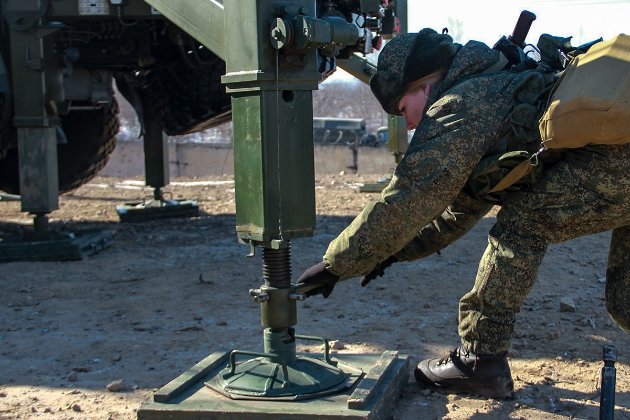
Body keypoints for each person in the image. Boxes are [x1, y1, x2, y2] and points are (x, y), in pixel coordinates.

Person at [296, 28, 630, 399]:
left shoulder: (459, 106)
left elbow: (408, 199)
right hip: (619, 160)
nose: (407, 125)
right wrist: (391, 252)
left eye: (403, 109)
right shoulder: (492, 88)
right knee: (625, 298)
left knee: (524, 222)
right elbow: (458, 210)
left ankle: (480, 361)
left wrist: (336, 264)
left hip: (620, 162)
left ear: (423, 86)